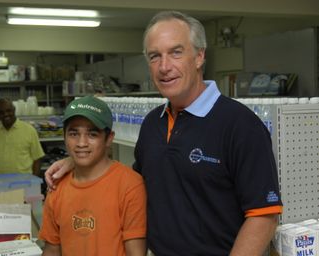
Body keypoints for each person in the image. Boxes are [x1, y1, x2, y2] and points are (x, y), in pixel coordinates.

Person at [44, 11, 283, 255]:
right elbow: (131, 183)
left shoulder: (241, 125)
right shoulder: (152, 124)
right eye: (155, 56)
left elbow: (263, 216)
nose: (164, 67)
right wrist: (77, 160)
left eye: (175, 52)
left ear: (199, 56)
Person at [38, 96, 147, 256]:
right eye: (74, 134)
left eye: (92, 134)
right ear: (65, 137)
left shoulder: (129, 185)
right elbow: (52, 250)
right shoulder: (57, 186)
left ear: (109, 139)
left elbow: (136, 253)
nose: (81, 143)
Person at [0, 98, 45, 176]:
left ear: (14, 110)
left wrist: (32, 182)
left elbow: (37, 159)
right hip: (0, 184)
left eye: (8, 110)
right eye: (1, 112)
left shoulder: (29, 130)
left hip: (24, 183)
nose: (5, 114)